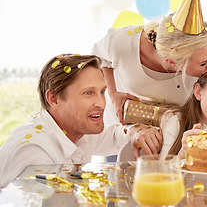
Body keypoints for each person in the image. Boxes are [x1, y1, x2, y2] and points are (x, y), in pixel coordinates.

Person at [92, 0, 207, 159]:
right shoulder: (123, 43)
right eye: (204, 63)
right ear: (172, 63)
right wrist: (113, 93)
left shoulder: (205, 53)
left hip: (178, 139)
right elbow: (98, 58)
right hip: (128, 133)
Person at [0, 54, 140, 188]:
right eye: (88, 93)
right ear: (54, 99)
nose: (101, 104)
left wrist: (135, 132)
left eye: (102, 92)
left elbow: (113, 135)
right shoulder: (34, 153)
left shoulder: (77, 128)